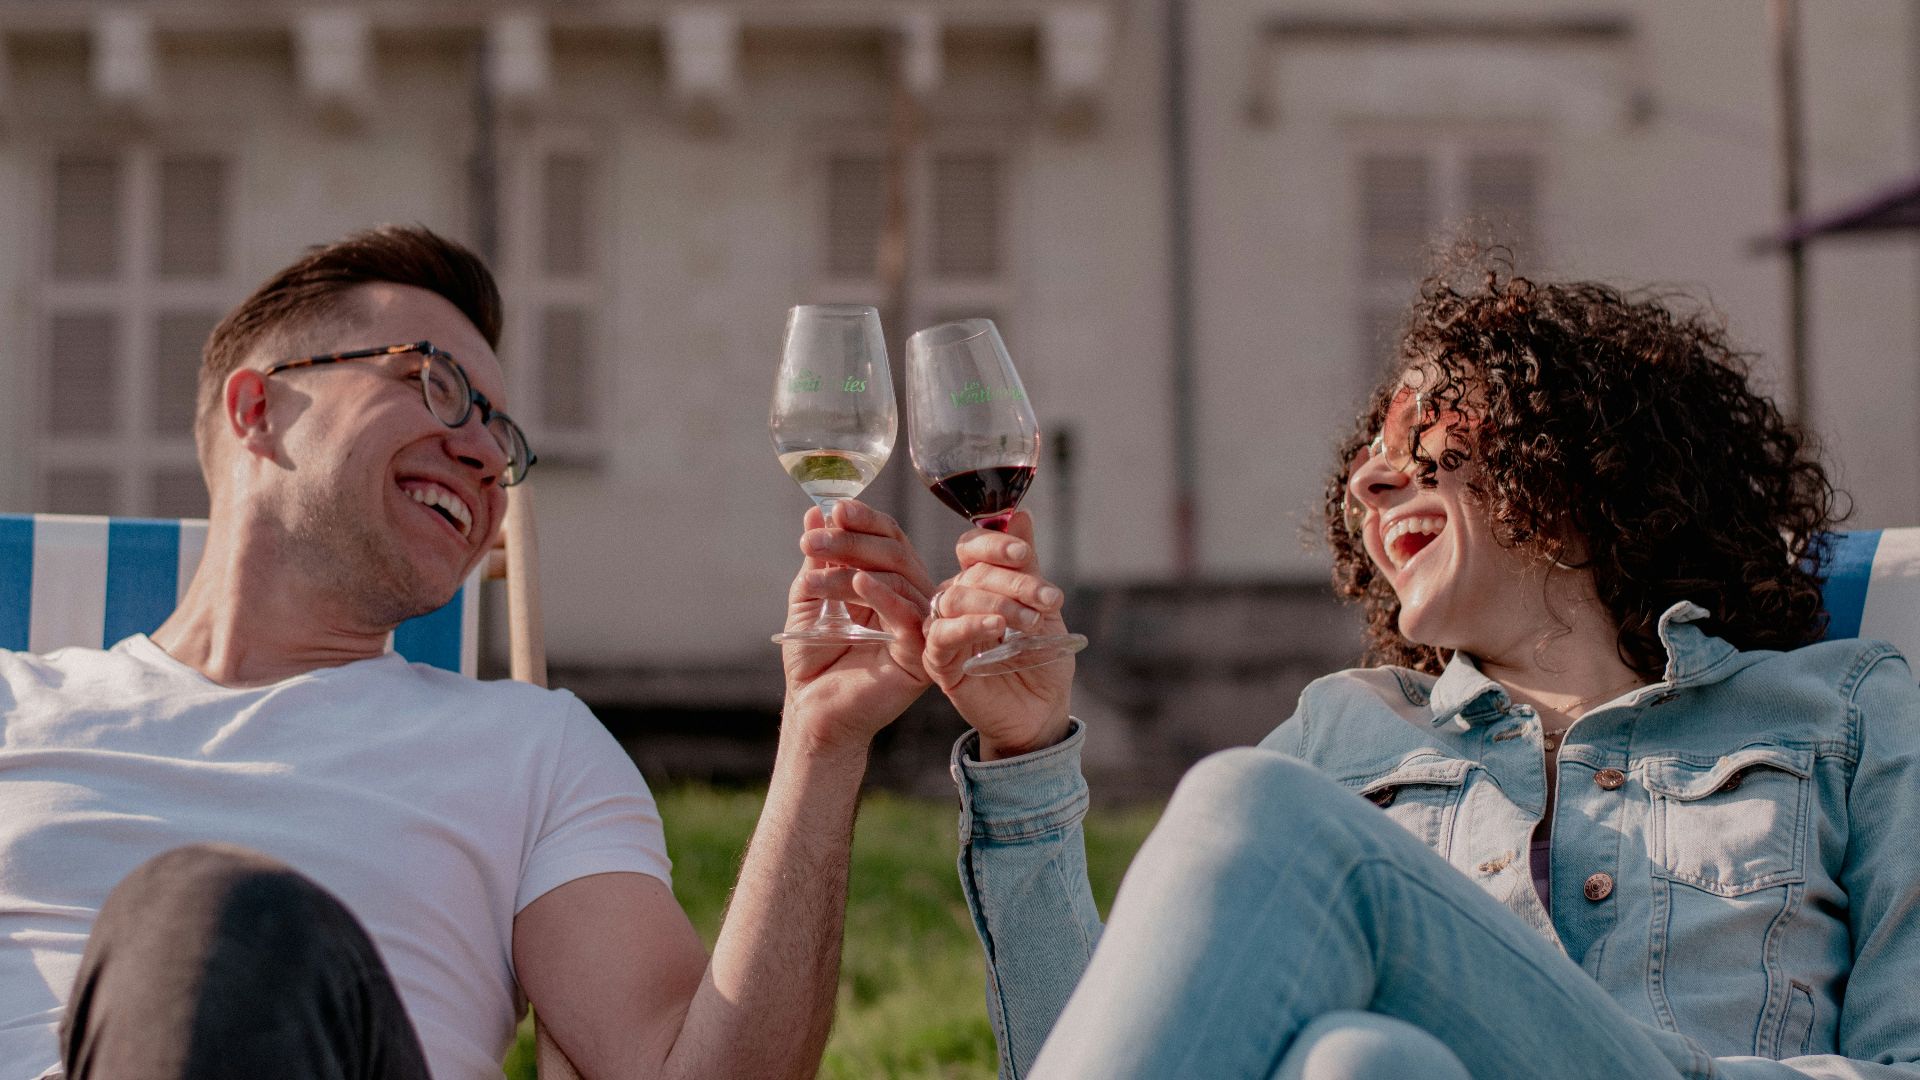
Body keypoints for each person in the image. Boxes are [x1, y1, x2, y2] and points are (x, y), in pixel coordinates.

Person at [922, 259, 1920, 1079]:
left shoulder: (1843, 709)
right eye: (1368, 460)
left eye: (1423, 438)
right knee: (1361, 1063)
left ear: (1574, 461)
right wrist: (1027, 750)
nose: (1365, 479)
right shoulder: (1347, 732)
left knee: (1245, 800)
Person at [0, 225, 938, 1080]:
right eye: (436, 384)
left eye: (499, 431)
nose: (487, 455)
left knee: (218, 922)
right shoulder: (15, 706)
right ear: (258, 410)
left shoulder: (532, 750)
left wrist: (821, 748)